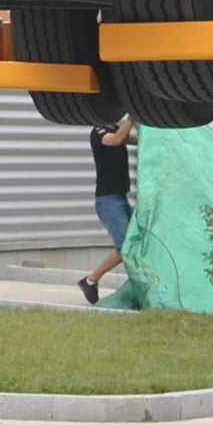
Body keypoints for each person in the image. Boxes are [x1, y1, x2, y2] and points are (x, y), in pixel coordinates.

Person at [79, 116, 136, 303]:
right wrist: (133, 118)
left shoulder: (116, 129)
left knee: (134, 243)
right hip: (108, 200)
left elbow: (133, 139)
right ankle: (90, 280)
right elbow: (117, 140)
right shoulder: (98, 131)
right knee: (124, 246)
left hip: (121, 198)